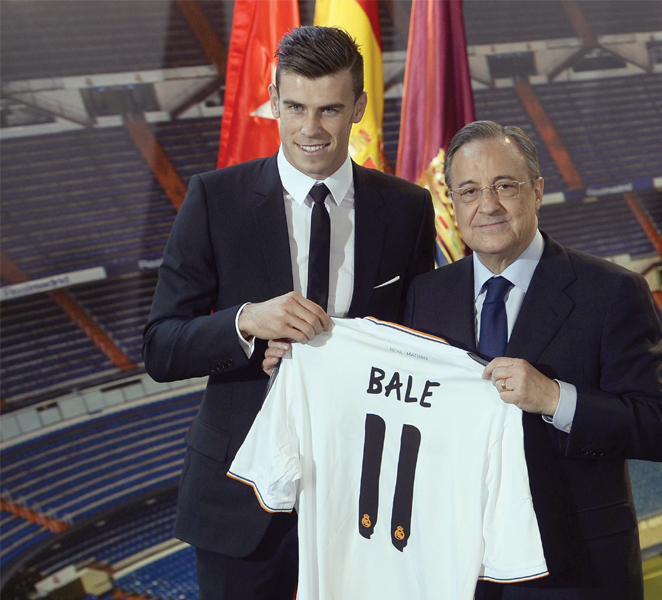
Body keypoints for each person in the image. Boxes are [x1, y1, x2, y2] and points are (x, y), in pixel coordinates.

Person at [142, 26, 435, 600]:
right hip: (240, 502)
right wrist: (246, 322)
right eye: (295, 106)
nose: (310, 128)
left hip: (363, 499)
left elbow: (419, 340)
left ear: (359, 108)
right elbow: (160, 346)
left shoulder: (406, 208)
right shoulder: (213, 200)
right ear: (273, 101)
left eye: (329, 109)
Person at [403, 121, 662, 600]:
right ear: (452, 203)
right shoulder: (425, 296)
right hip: (456, 567)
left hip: (573, 570)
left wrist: (555, 399)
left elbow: (659, 428)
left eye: (504, 186)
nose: (487, 205)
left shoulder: (611, 291)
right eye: (469, 190)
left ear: (537, 191)